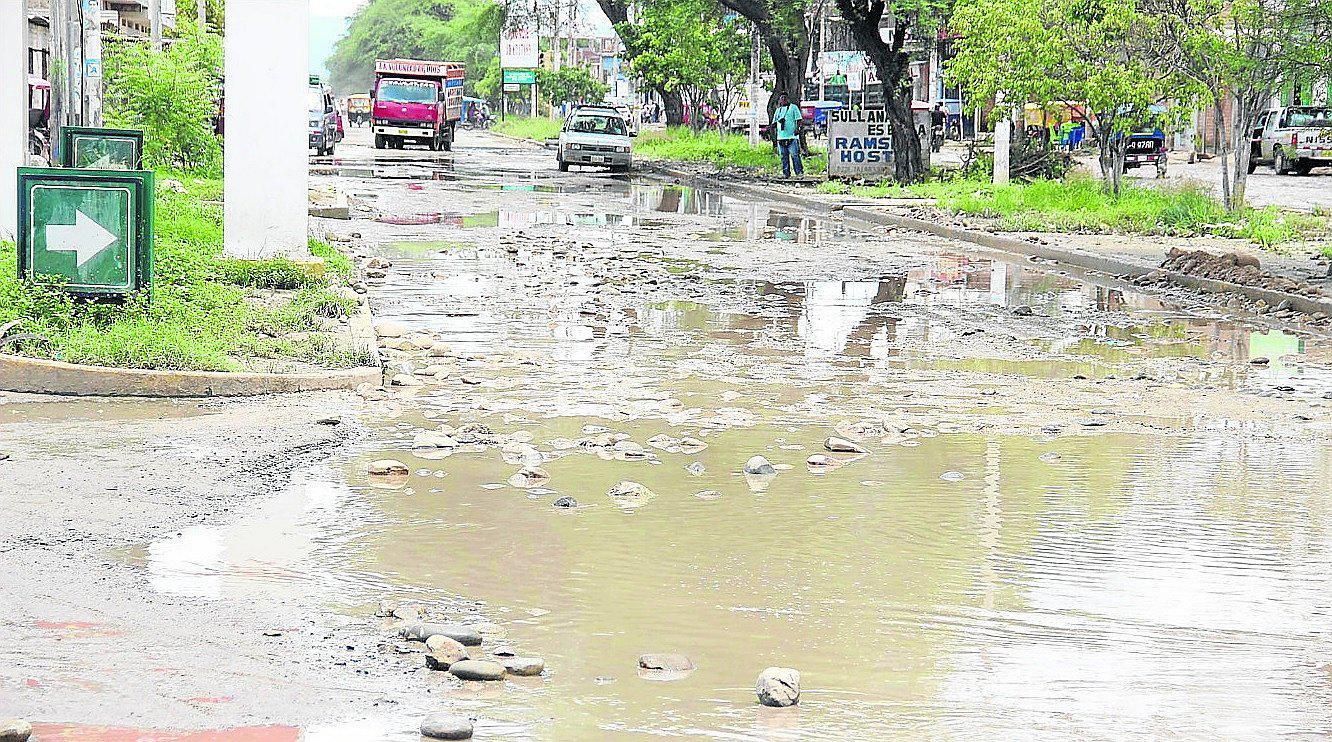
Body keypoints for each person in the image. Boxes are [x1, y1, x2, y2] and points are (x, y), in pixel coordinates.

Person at [773, 93, 803, 178]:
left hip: (792, 136)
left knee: (795, 155)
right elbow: (774, 123)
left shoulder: (793, 107)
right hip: (781, 137)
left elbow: (799, 119)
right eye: (781, 98)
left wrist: (797, 129)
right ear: (779, 100)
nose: (783, 99)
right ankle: (786, 173)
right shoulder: (778, 110)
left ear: (788, 99)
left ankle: (799, 173)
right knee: (783, 157)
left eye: (785, 98)